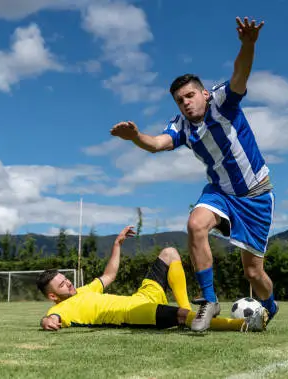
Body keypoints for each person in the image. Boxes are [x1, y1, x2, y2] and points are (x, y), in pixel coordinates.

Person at [109, 16, 278, 332]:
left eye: (190, 96)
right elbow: (158, 143)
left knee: (254, 274)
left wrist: (248, 44)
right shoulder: (182, 126)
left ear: (203, 94)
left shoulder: (223, 102)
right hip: (220, 192)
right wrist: (135, 137)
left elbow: (240, 74)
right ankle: (209, 301)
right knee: (195, 223)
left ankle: (269, 306)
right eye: (179, 100)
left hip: (255, 195)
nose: (185, 103)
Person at [37, 225, 267, 332]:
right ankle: (243, 324)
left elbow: (109, 275)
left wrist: (117, 245)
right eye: (61, 284)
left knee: (169, 253)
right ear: (52, 295)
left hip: (142, 297)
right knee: (181, 316)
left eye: (65, 278)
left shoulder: (85, 289)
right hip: (130, 314)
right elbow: (51, 318)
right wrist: (47, 322)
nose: (68, 282)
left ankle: (188, 310)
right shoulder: (62, 309)